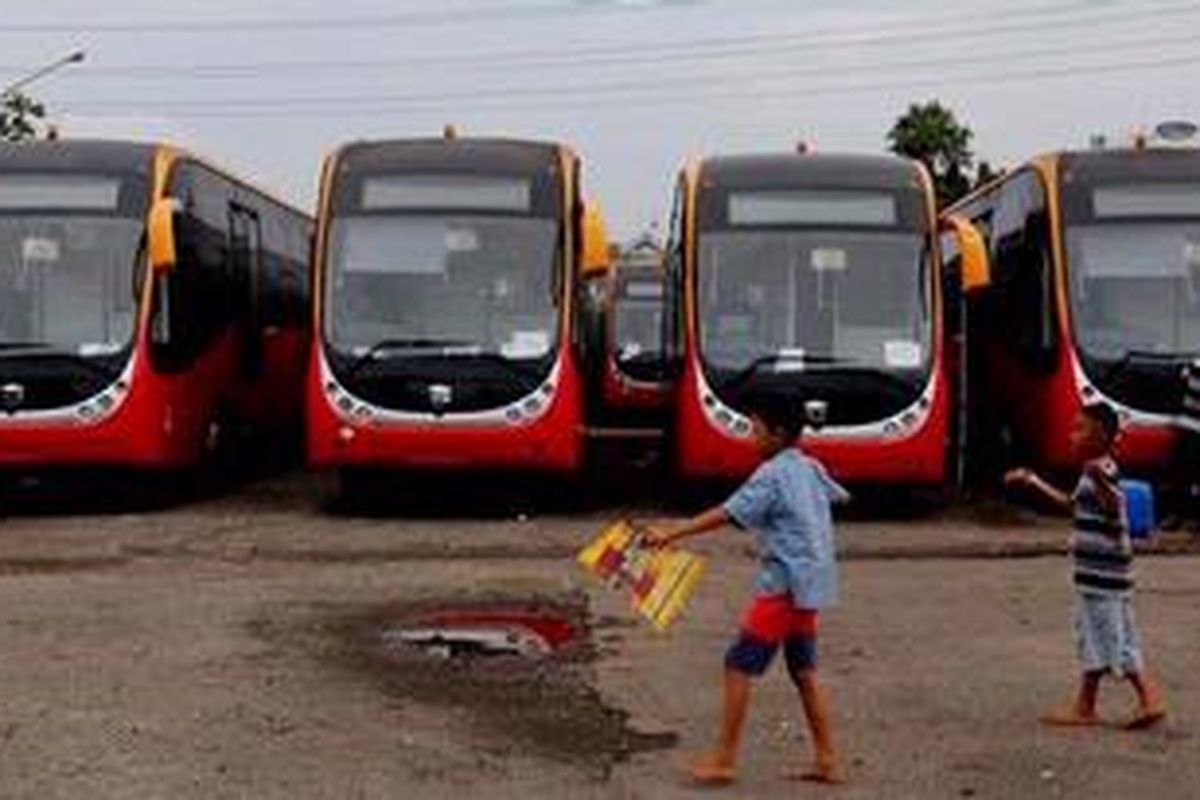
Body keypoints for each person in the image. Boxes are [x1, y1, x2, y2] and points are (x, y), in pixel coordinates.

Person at [642, 394, 850, 786]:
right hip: (812, 583)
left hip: (785, 585)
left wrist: (673, 532)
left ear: (777, 434)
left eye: (755, 429)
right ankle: (827, 759)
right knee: (803, 670)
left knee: (738, 665)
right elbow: (835, 494)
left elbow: (728, 511)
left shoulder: (771, 474)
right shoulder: (809, 466)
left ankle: (724, 759)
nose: (749, 437)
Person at [1005, 402, 1166, 729]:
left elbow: (1113, 505)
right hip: (1098, 575)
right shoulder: (1092, 470)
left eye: (1080, 429)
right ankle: (1085, 705)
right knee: (1094, 634)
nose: (1072, 435)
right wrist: (1032, 480)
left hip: (1104, 576)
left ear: (1100, 436)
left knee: (1111, 636)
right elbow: (1071, 505)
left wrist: (1100, 481)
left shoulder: (1102, 469)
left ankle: (1150, 697)